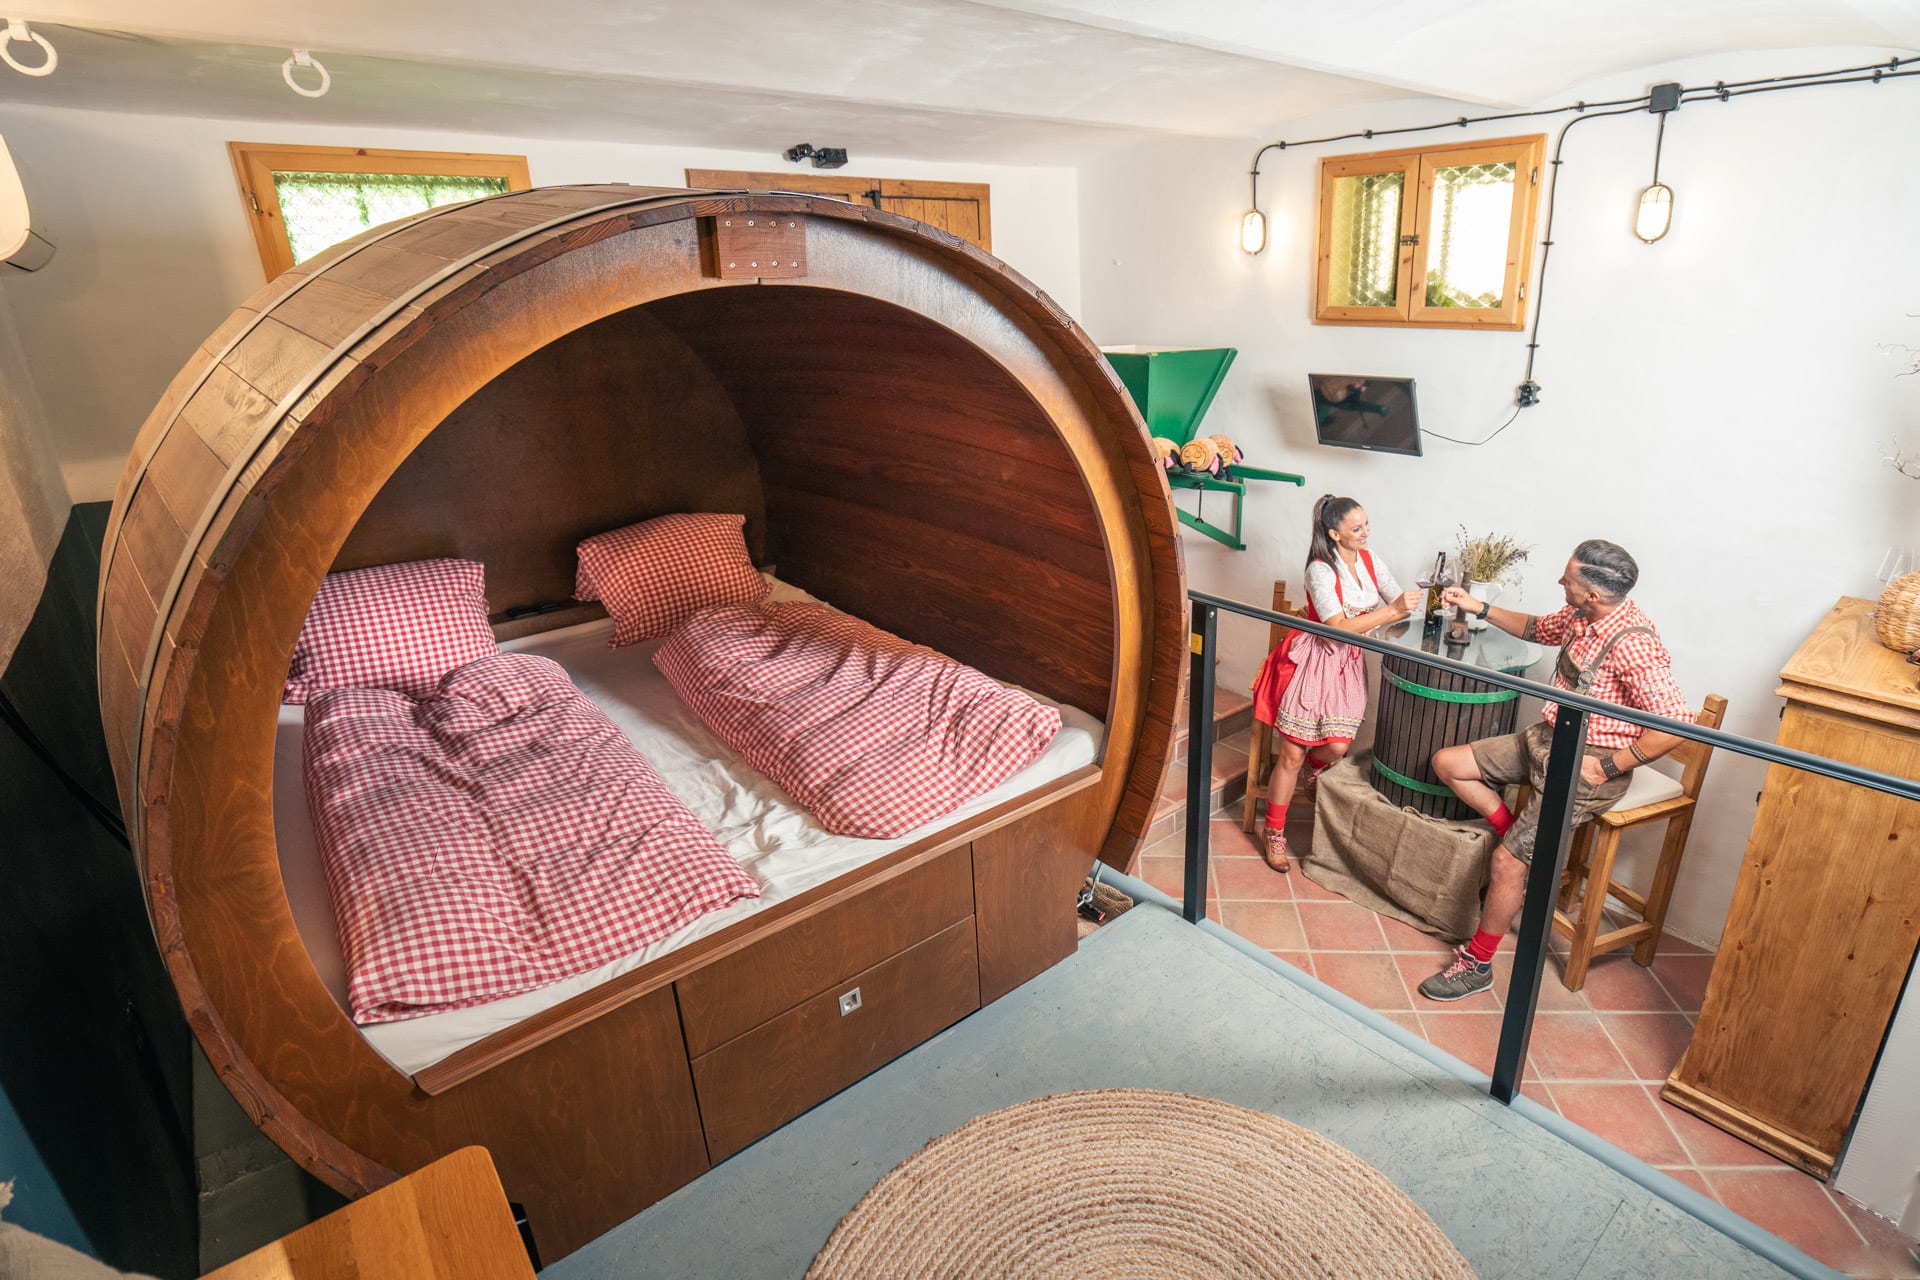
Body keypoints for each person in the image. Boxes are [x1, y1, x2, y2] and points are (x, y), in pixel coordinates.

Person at [1417, 539, 1694, 1001]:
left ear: (1593, 594)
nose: (1560, 581)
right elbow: (1536, 628)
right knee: (1448, 764)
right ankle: (1521, 840)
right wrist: (1477, 606)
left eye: (1569, 578)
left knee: (1505, 862)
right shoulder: (1581, 615)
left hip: (1587, 764)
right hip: (1546, 740)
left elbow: (1676, 725)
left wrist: (1607, 767)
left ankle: (1478, 964)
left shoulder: (1634, 644)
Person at [1249, 495, 1424, 873]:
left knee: (1337, 747)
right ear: (1334, 534)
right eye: (1356, 528)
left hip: (1347, 666)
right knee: (1291, 754)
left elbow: (1397, 603)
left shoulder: (1370, 561)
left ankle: (1314, 770)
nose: (1366, 532)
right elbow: (1338, 628)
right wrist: (1391, 611)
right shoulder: (1320, 570)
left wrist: (1411, 607)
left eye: (1366, 524)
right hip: (1313, 662)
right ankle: (1274, 831)